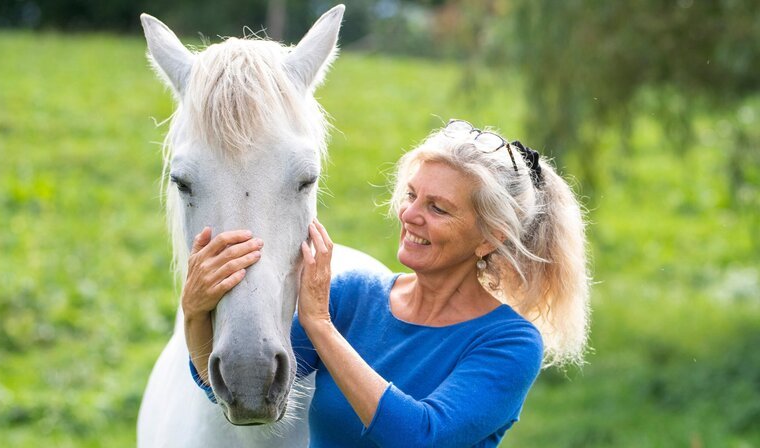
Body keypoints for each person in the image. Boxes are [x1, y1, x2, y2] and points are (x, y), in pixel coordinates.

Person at [182, 119, 590, 447]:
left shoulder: (509, 343)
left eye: (438, 208)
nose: (410, 215)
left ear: (490, 237)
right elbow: (239, 390)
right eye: (411, 196)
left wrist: (320, 326)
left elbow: (421, 436)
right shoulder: (354, 296)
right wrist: (195, 311)